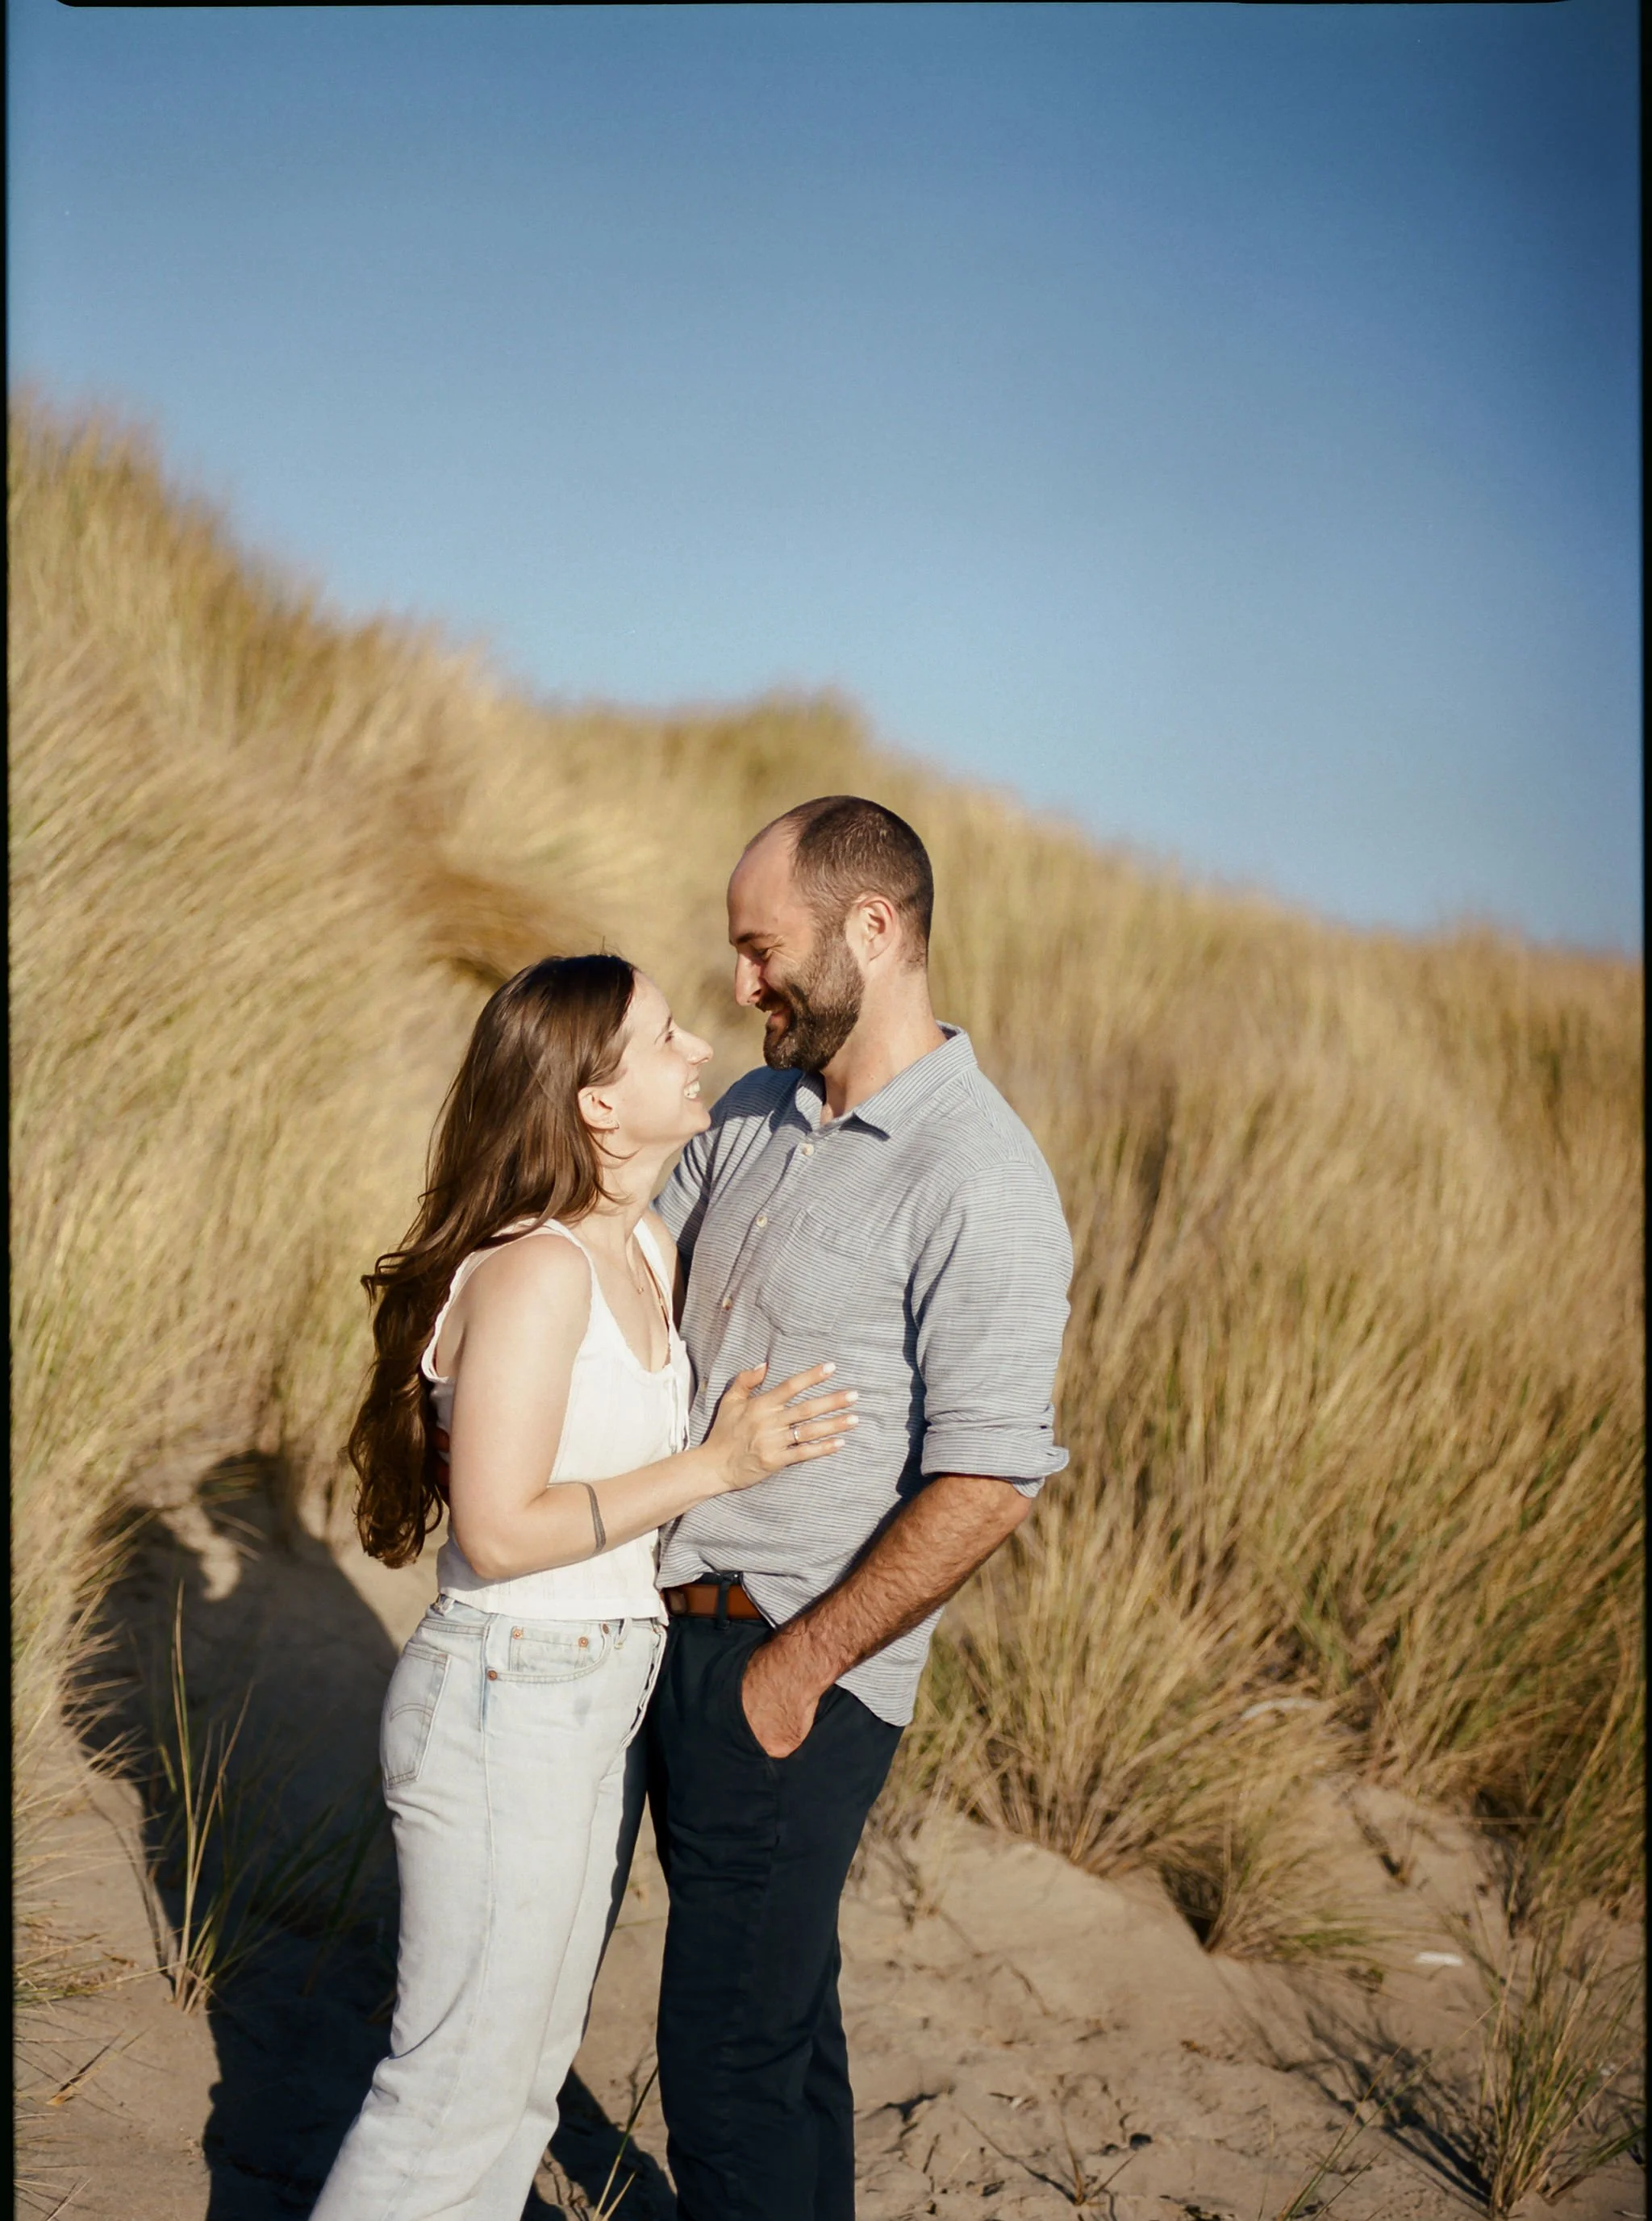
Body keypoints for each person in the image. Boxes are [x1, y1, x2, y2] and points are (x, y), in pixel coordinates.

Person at [313, 953, 858, 2221]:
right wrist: (711, 1466)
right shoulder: (537, 1270)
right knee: (448, 2092)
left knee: (516, 2092)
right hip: (506, 1688)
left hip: (590, 1697)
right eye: (667, 1039)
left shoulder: (648, 1251)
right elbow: (500, 1532)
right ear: (597, 1103)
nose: (699, 1052)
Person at [647, 796, 1074, 2221]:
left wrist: (802, 1664)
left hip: (792, 1668)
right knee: (785, 2035)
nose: (743, 982)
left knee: (723, 2061)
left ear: (875, 930)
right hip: (655, 1625)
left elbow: (991, 1477)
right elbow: (631, 1268)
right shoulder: (755, 1113)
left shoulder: (983, 1176)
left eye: (763, 950)